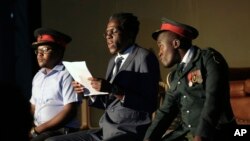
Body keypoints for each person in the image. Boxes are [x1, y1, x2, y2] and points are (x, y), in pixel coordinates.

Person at [46, 12, 160, 141]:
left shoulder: (144, 57)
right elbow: (110, 103)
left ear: (129, 33)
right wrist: (90, 91)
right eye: (106, 33)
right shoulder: (113, 61)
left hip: (129, 131)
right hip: (106, 130)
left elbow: (150, 104)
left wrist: (113, 89)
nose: (108, 36)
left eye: (113, 31)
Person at [143, 18, 236, 141]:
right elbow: (165, 111)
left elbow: (214, 99)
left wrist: (201, 135)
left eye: (161, 46)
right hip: (187, 134)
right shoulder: (176, 74)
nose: (159, 53)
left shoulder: (208, 59)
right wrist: (148, 138)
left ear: (176, 44)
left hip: (214, 132)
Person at [29, 28, 82, 141]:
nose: (40, 54)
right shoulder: (38, 76)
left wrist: (37, 130)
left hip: (60, 130)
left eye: (45, 50)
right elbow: (33, 106)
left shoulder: (66, 74)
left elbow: (70, 111)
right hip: (39, 129)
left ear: (59, 52)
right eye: (38, 51)